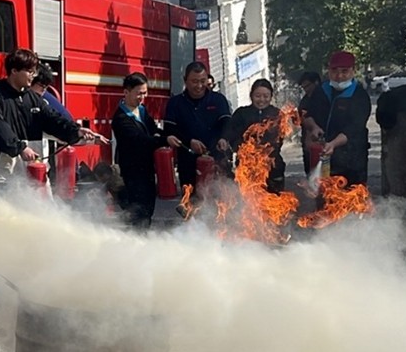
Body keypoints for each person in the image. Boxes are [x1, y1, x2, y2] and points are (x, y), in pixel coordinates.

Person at [0, 48, 97, 187]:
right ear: (14, 71)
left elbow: (52, 119)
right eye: (29, 71)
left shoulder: (32, 98)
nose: (33, 76)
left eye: (34, 72)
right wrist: (20, 148)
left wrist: (76, 130)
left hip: (29, 175)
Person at [299, 50, 371, 187]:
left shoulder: (359, 96)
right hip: (321, 156)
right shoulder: (321, 90)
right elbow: (306, 113)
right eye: (334, 71)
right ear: (329, 71)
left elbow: (354, 128)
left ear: (353, 71)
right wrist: (313, 127)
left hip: (351, 160)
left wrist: (333, 144)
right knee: (321, 193)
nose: (339, 76)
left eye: (344, 71)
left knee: (350, 196)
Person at [111, 72, 169, 228]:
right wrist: (164, 140)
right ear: (126, 92)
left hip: (147, 170)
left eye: (145, 93)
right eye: (139, 93)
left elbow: (153, 129)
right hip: (132, 173)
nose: (142, 97)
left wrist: (165, 135)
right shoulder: (121, 118)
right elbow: (140, 141)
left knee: (148, 210)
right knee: (137, 214)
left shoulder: (142, 110)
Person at [163, 61, 231, 190]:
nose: (199, 86)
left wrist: (224, 138)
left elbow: (227, 123)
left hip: (216, 160)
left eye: (203, 81)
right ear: (185, 80)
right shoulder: (175, 103)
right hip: (188, 163)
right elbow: (169, 130)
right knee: (191, 198)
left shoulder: (218, 99)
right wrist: (189, 141)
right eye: (194, 81)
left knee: (221, 198)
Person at [223, 77, 285, 193]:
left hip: (272, 165)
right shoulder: (241, 113)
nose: (262, 100)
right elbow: (230, 133)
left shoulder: (277, 114)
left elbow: (279, 139)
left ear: (271, 97)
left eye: (266, 96)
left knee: (274, 199)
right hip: (246, 166)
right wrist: (230, 143)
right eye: (258, 96)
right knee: (249, 199)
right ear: (251, 96)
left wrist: (265, 152)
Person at [297, 70, 322, 175]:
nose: (305, 89)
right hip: (308, 141)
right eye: (303, 87)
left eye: (307, 86)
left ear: (316, 82)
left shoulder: (324, 98)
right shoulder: (305, 101)